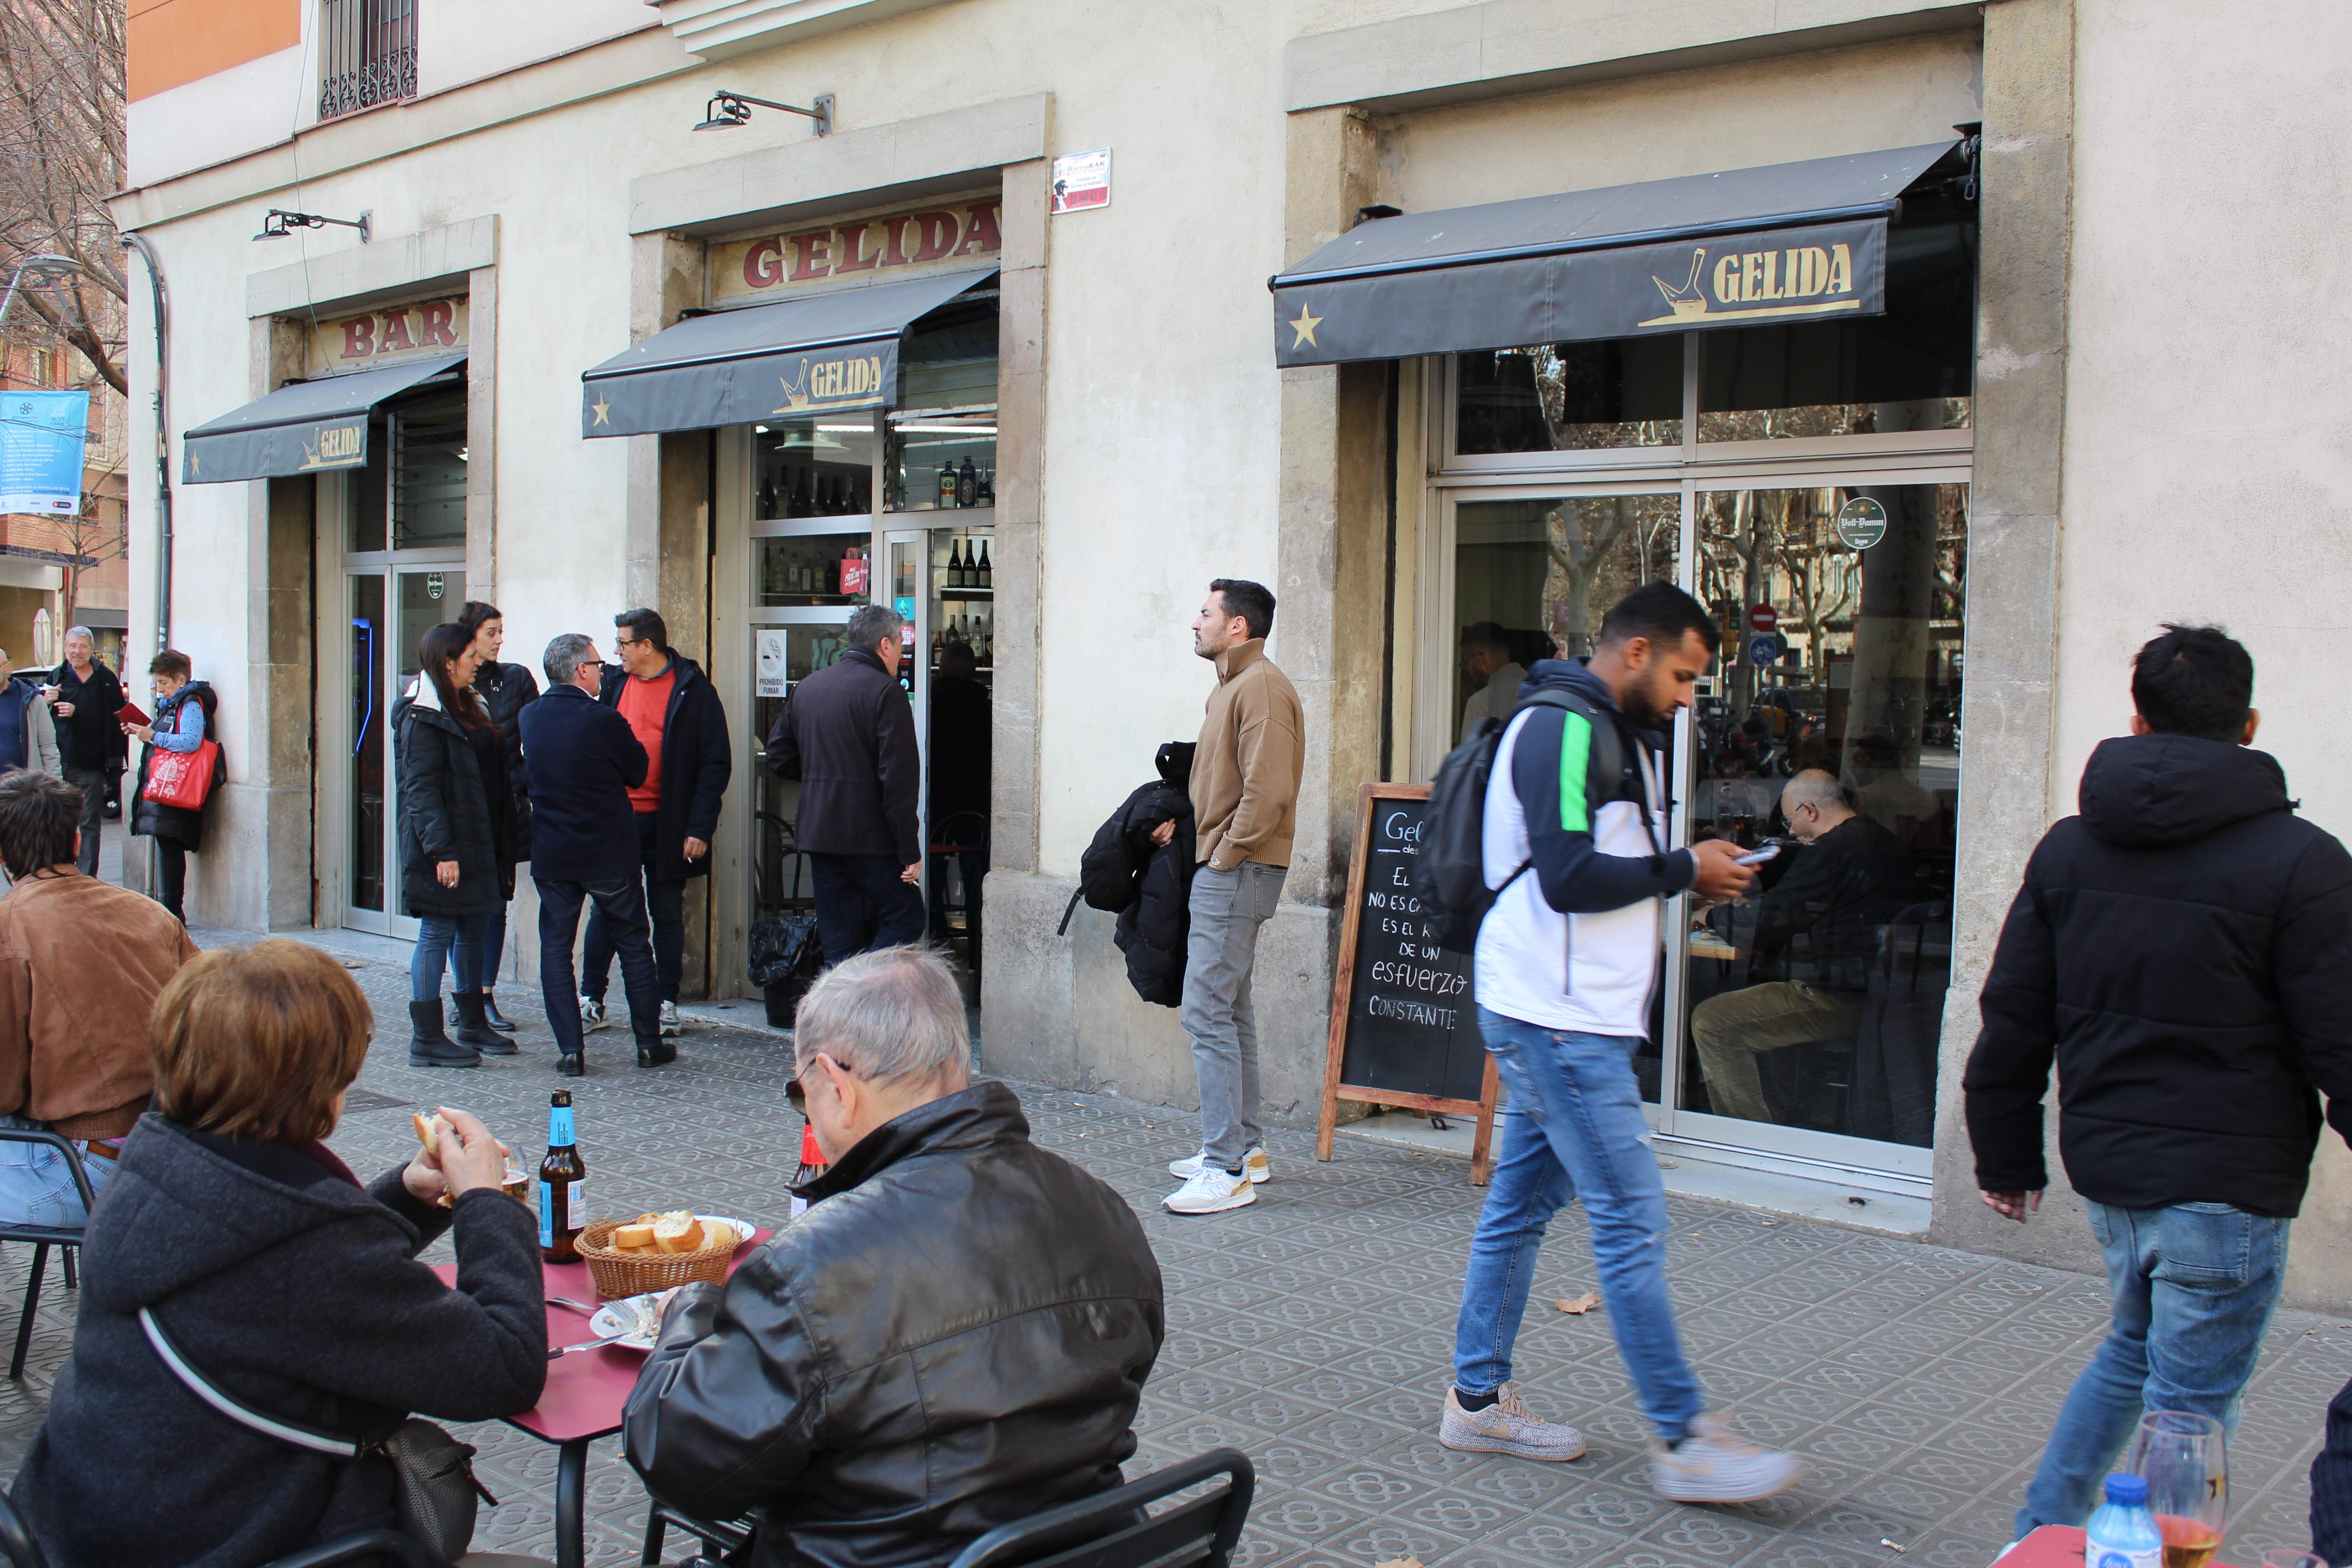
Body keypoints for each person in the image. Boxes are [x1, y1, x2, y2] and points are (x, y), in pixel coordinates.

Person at [1965, 624, 2352, 1541]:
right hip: (2228, 1188)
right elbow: (2343, 1040)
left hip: (2114, 1168)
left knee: (2132, 1358)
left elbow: (2015, 1012)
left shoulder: (2068, 849)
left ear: (2136, 723)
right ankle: (2133, 1556)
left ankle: (2040, 1531)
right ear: (2249, 724)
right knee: (2190, 1415)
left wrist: (2005, 1154)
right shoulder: (2304, 863)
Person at [1437, 581, 1805, 1503]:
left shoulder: (1616, 732)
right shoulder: (1561, 727)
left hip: (1566, 1015)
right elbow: (1563, 875)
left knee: (1520, 1207)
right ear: (1635, 653)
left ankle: (1476, 1400)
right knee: (1631, 1220)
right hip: (1556, 1022)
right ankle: (1689, 1441)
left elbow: (1604, 866)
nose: (1689, 697)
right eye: (1683, 675)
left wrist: (1686, 878)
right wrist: (1684, 867)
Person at [9, 940, 546, 1567]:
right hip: (245, 1541)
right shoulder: (306, 1249)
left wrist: (409, 1195)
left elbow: (278, 1268)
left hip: (84, 1529)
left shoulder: (160, 1165)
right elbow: (506, 1368)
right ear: (320, 1086)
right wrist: (487, 1201)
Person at [623, 946, 1163, 1568]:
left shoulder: (809, 1271)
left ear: (837, 1085)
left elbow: (681, 1463)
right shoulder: (1103, 1210)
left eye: (805, 1096)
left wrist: (687, 1311)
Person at [1157, 578, 1302, 1215]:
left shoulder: (1260, 687)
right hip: (1231, 866)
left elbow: (1267, 792)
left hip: (1236, 869)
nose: (1196, 622)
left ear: (1237, 626)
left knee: (1206, 1012)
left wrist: (1224, 855)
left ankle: (1226, 1166)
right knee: (1230, 1008)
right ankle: (1247, 1149)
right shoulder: (1236, 686)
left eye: (1206, 613)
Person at [0, 770, 194, 1224]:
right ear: (74, 841)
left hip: (85, 1169)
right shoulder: (150, 912)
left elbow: (4, 1088)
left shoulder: (10, 927)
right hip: (172, 1147)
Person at [1688, 769, 1912, 1124]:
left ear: (1810, 811)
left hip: (1839, 997)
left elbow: (1769, 924)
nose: (1791, 832)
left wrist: (1711, 915)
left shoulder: (1833, 850)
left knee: (1712, 1021)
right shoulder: (1882, 839)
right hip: (1882, 992)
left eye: (1792, 821)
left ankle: (1747, 1136)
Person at [579, 608, 729, 1041]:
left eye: (623, 643)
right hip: (617, 821)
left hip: (670, 824)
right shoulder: (613, 685)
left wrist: (700, 827)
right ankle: (592, 999)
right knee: (606, 912)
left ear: (648, 646)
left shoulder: (693, 690)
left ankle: (666, 1003)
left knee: (666, 912)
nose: (616, 651)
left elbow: (714, 764)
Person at [521, 633, 665, 1073]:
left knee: (556, 951)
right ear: (581, 670)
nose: (605, 670)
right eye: (600, 663)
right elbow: (638, 771)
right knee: (635, 946)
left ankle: (570, 1051)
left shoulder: (530, 716)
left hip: (553, 852)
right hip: (607, 851)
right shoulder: (603, 719)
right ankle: (647, 1045)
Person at [764, 603, 923, 965]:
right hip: (873, 837)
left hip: (821, 834)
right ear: (885, 645)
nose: (901, 654)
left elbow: (780, 756)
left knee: (840, 935)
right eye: (900, 645)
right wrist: (909, 850)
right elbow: (897, 780)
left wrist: (823, 778)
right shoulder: (886, 692)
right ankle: (864, 989)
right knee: (906, 916)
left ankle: (841, 1013)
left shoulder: (809, 688)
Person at [394, 622, 516, 1067]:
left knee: (474, 926)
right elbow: (420, 790)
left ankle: (471, 1023)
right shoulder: (420, 715)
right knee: (438, 931)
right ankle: (427, 1037)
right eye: (470, 655)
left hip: (476, 840)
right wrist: (442, 851)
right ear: (448, 662)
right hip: (443, 847)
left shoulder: (469, 704)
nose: (478, 661)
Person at [459, 601, 539, 1035]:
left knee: (495, 904)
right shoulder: (450, 685)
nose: (499, 639)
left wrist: (524, 787)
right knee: (462, 908)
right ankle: (464, 994)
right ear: (470, 635)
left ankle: (484, 993)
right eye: (492, 631)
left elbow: (537, 738)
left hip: (506, 809)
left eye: (501, 631)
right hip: (468, 811)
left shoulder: (516, 679)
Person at [124, 649, 215, 924]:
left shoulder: (189, 704)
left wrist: (153, 736)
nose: (159, 689)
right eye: (158, 683)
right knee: (166, 846)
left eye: (163, 683)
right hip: (167, 785)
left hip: (178, 787)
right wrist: (143, 732)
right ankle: (170, 910)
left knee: (171, 848)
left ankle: (173, 911)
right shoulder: (173, 704)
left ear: (180, 679)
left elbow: (190, 741)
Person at [927, 638, 991, 965]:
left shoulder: (928, 702)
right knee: (975, 875)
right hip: (974, 801)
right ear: (975, 669)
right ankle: (978, 947)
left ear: (942, 667)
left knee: (933, 872)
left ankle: (936, 937)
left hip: (936, 798)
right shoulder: (985, 705)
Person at [47, 626, 120, 875]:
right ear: (65, 648)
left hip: (91, 763)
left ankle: (87, 878)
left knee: (89, 824)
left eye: (82, 647)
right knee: (58, 824)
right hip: (60, 764)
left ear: (92, 650)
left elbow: (115, 721)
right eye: (72, 646)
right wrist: (46, 703)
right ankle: (63, 874)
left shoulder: (106, 679)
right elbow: (42, 722)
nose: (76, 652)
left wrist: (79, 713)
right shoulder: (56, 677)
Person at [1457, 620, 1527, 742]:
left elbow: (1471, 758)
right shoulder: (1539, 690)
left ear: (1480, 659)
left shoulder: (1480, 702)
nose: (1468, 670)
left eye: (1467, 662)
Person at [0, 648, 61, 781]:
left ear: (7, 668)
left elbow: (48, 747)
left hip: (23, 789)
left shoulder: (31, 701)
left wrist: (54, 788)